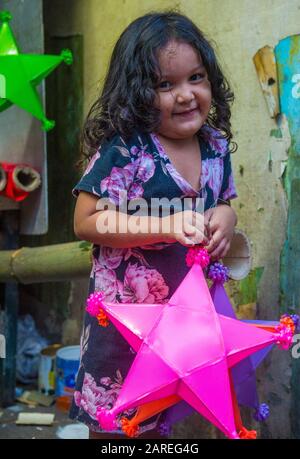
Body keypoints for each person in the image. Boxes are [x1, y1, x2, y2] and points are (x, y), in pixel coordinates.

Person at [70, 11, 238, 439]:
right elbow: (87, 220)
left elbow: (223, 203)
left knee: (168, 418)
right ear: (135, 92)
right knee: (118, 425)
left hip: (186, 323)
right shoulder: (126, 150)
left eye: (195, 78)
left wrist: (225, 217)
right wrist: (166, 225)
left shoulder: (215, 147)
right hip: (125, 323)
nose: (185, 95)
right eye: (165, 84)